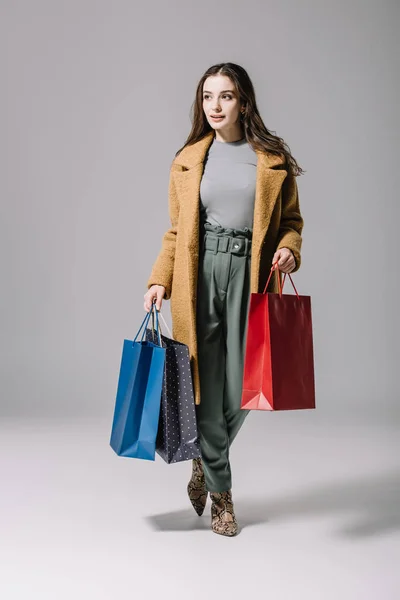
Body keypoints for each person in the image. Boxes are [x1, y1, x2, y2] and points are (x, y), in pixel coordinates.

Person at [143, 62, 304, 537]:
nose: (215, 106)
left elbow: (292, 222)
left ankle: (200, 456)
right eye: (208, 96)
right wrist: (159, 280)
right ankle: (223, 495)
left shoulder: (271, 158)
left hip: (252, 275)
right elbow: (176, 232)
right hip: (200, 275)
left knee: (248, 386)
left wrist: (289, 250)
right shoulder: (189, 159)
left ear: (244, 101)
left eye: (226, 96)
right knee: (206, 388)